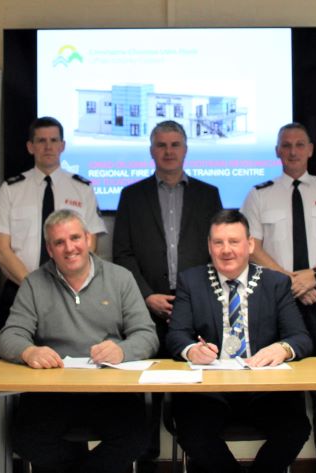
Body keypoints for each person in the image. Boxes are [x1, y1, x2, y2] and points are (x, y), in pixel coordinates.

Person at [240, 122, 316, 473]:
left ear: (310, 150)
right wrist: (292, 282)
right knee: (283, 383)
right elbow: (253, 249)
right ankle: (280, 462)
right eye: (285, 145)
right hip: (277, 296)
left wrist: (313, 276)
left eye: (299, 145)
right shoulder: (260, 194)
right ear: (277, 152)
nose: (292, 151)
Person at [0, 209, 158, 472]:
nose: (69, 248)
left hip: (110, 388)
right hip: (53, 390)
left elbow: (147, 335)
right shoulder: (34, 284)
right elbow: (9, 336)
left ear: (88, 239)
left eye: (75, 238)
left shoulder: (120, 278)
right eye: (59, 242)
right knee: (27, 440)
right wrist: (29, 351)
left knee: (136, 439)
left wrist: (122, 350)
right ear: (49, 249)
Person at [165, 210, 313, 473]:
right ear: (209, 246)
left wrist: (282, 348)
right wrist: (191, 350)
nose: (226, 250)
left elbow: (300, 337)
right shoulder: (191, 281)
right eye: (218, 242)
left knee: (295, 428)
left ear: (250, 244)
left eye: (234, 241)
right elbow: (176, 336)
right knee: (192, 430)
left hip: (263, 390)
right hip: (209, 392)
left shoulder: (275, 283)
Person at [112, 120, 222, 471]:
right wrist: (147, 297)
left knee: (194, 391)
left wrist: (191, 300)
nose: (168, 151)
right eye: (161, 145)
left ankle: (194, 453)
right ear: (151, 151)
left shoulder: (209, 194)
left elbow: (215, 254)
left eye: (175, 144)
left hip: (196, 306)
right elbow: (123, 254)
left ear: (185, 149)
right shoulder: (132, 195)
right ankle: (147, 459)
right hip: (145, 307)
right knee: (145, 389)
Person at [0, 116, 107, 332]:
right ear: (30, 147)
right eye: (41, 141)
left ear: (63, 146)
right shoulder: (11, 189)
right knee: (12, 352)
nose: (48, 146)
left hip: (70, 291)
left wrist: (63, 284)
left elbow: (91, 245)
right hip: (20, 289)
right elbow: (1, 249)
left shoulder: (82, 189)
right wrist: (35, 287)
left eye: (53, 140)